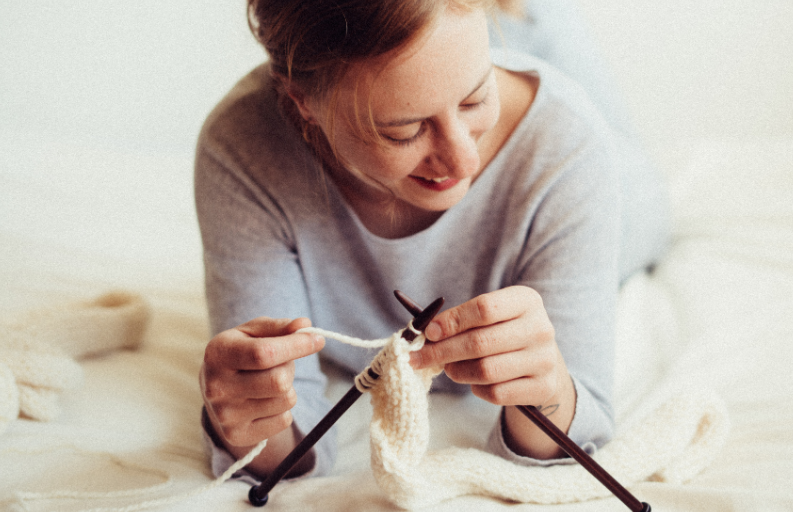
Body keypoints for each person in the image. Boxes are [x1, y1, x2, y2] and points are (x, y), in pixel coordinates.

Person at [195, 0, 669, 481]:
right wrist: (247, 420)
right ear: (302, 103)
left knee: (541, 36)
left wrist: (548, 394)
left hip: (626, 199)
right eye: (404, 131)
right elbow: (280, 453)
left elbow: (579, 419)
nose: (465, 161)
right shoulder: (242, 150)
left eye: (475, 98)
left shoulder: (569, 147)